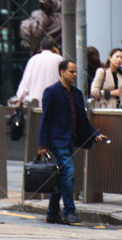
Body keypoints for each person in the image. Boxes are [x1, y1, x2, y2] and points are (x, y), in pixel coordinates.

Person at [38, 60, 108, 224]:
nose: (75, 75)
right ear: (62, 72)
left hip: (70, 140)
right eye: (71, 72)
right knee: (68, 172)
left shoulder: (76, 93)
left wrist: (94, 134)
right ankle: (69, 211)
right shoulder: (51, 92)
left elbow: (82, 119)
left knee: (61, 176)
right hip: (57, 141)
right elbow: (45, 119)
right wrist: (42, 144)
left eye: (76, 72)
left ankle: (52, 212)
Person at [13, 36, 63, 107]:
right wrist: (58, 53)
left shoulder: (33, 60)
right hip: (54, 103)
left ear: (40, 48)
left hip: (35, 103)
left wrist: (19, 99)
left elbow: (25, 83)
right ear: (53, 48)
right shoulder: (59, 59)